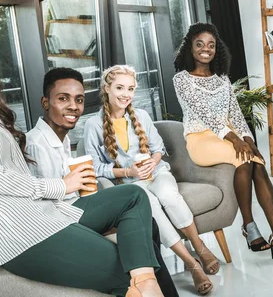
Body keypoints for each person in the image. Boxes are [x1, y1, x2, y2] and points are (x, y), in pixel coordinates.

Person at [0, 18, 163, 297]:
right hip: (14, 232)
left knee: (133, 197)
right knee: (129, 266)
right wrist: (62, 186)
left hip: (41, 212)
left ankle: (146, 284)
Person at [25, 67, 178, 296]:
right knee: (133, 196)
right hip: (60, 220)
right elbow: (46, 200)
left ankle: (157, 289)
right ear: (45, 103)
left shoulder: (62, 138)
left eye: (79, 99)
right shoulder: (37, 143)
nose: (73, 107)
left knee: (149, 226)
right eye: (63, 98)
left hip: (74, 208)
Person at [84, 65, 217, 295]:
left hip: (156, 174)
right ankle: (191, 263)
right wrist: (129, 173)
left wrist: (152, 163)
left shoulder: (142, 116)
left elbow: (158, 149)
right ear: (106, 88)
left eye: (131, 89)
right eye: (119, 88)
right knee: (151, 206)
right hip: (130, 185)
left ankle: (200, 247)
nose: (126, 94)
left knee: (168, 195)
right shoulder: (93, 125)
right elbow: (94, 167)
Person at [173, 22, 273, 267]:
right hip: (201, 139)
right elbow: (205, 114)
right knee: (244, 157)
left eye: (211, 45)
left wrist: (248, 139)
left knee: (257, 163)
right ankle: (249, 225)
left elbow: (236, 115)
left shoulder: (222, 79)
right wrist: (236, 141)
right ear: (190, 47)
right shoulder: (182, 80)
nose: (206, 49)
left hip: (229, 135)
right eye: (200, 44)